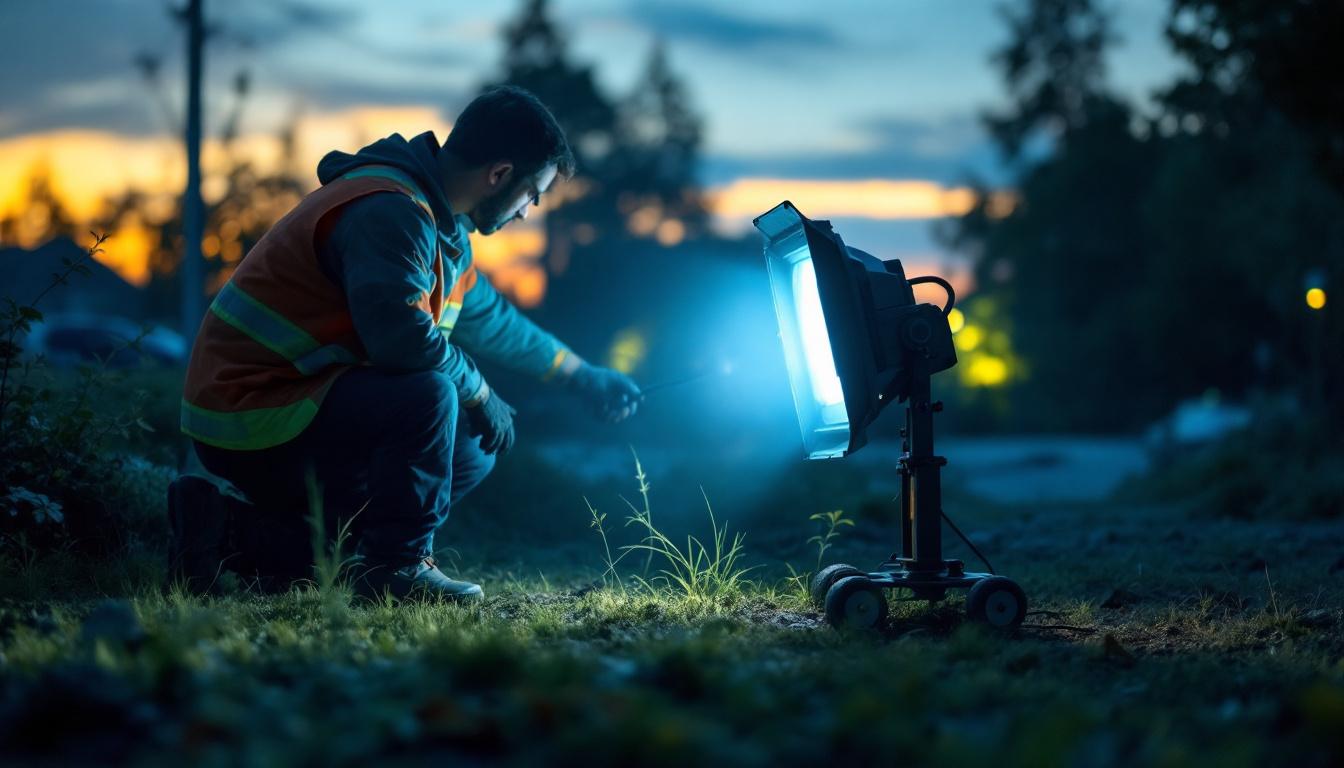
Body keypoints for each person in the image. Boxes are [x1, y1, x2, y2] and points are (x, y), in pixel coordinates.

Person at [169, 86, 640, 601]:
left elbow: (497, 324)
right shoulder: (391, 211)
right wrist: (480, 391)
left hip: (292, 407)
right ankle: (396, 568)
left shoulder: (444, 231)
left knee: (472, 446)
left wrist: (582, 376)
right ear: (499, 174)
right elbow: (400, 338)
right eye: (533, 193)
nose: (528, 212)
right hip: (248, 415)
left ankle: (233, 534)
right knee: (432, 395)